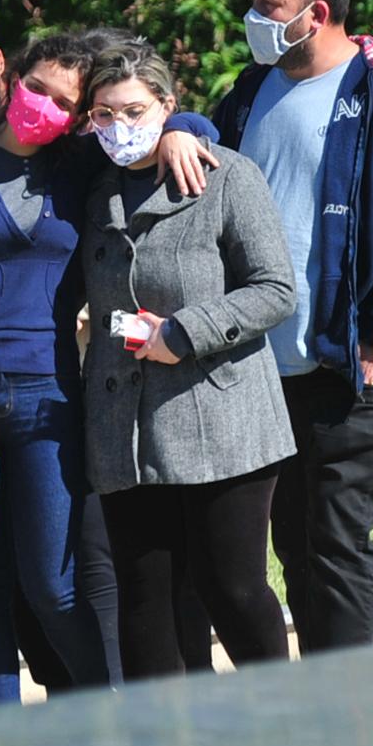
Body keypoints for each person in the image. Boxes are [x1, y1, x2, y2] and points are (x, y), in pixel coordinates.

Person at [0, 30, 220, 703]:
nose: (40, 103)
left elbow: (153, 115)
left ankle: (108, 716)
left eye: (60, 100)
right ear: (13, 78)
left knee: (53, 581)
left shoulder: (80, 169)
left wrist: (183, 129)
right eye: (34, 86)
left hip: (50, 398)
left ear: (79, 118)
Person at [212, 0, 373, 655]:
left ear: (317, 13)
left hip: (351, 360)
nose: (253, 18)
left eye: (268, 6)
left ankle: (355, 712)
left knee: (334, 539)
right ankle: (320, 702)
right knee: (293, 543)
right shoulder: (251, 88)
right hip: (262, 362)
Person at [80, 43, 298, 679]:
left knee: (230, 588)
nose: (119, 127)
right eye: (102, 113)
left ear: (168, 108)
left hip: (223, 421)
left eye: (136, 111)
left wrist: (186, 330)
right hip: (125, 427)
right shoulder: (93, 193)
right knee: (146, 602)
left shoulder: (226, 175)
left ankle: (284, 720)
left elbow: (274, 288)